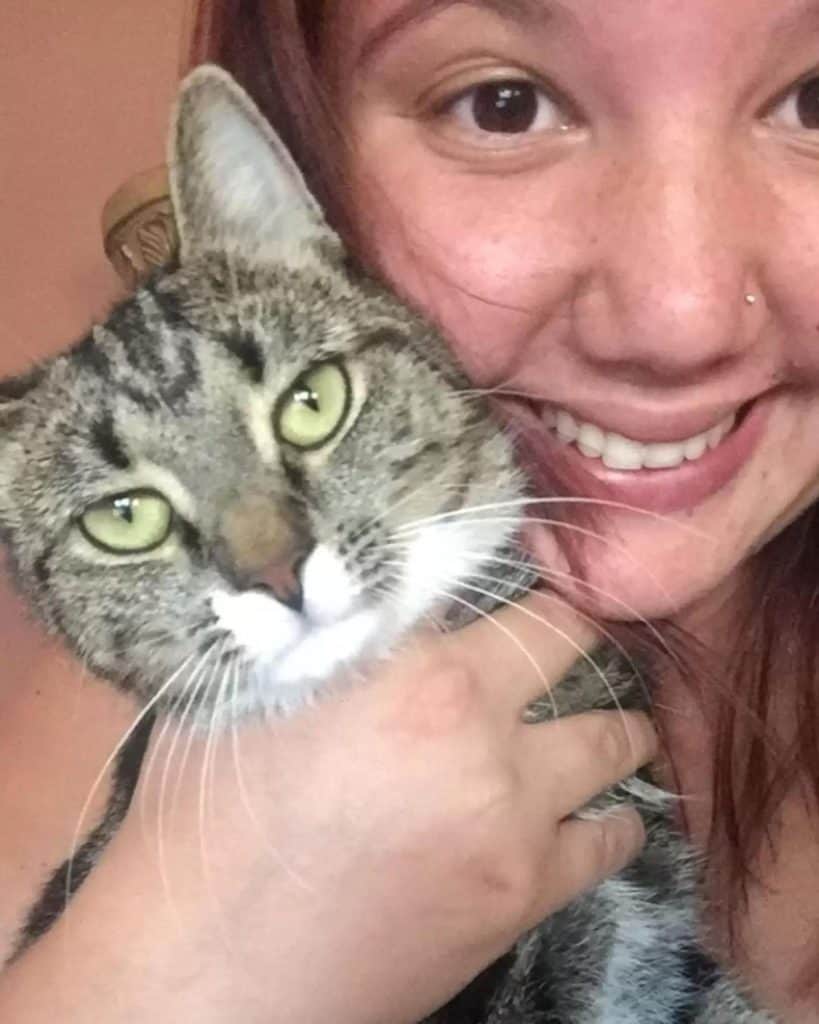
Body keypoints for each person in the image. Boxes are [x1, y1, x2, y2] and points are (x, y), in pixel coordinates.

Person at [2, 0, 819, 1020]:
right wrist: (182, 975)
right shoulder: (109, 750)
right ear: (317, 165)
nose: (677, 320)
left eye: (813, 100)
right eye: (502, 104)